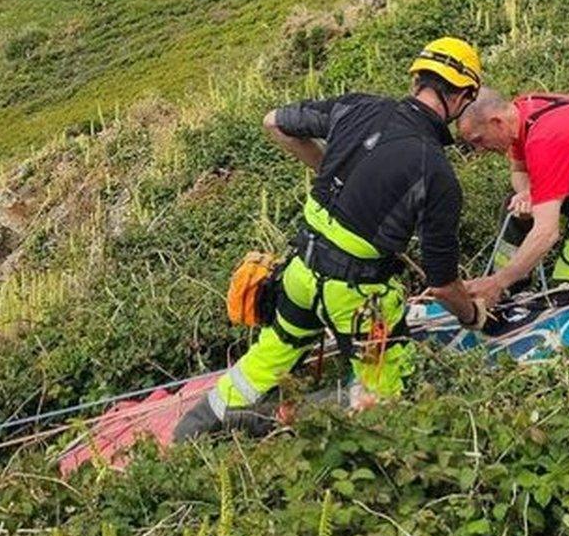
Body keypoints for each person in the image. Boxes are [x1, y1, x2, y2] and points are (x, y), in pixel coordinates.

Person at [173, 37, 487, 441]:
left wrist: (333, 171)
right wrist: (472, 315)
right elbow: (443, 285)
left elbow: (274, 122)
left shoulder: (359, 106)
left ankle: (198, 426)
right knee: (384, 402)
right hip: (357, 296)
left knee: (276, 348)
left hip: (300, 273)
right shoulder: (437, 171)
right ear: (463, 96)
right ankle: (275, 422)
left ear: (416, 82)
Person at [458, 88, 569, 306]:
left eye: (479, 140)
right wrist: (527, 192)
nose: (480, 150)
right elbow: (518, 169)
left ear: (496, 122)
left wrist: (498, 282)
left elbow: (546, 232)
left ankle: (498, 287)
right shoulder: (520, 114)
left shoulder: (545, 140)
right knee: (516, 208)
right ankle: (507, 293)